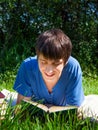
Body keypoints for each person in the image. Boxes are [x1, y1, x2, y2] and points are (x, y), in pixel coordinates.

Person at [13, 28, 84, 107]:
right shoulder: (27, 66)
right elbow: (21, 107)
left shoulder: (72, 67)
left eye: (56, 63)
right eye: (43, 62)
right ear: (37, 57)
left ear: (65, 61)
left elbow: (73, 109)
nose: (49, 70)